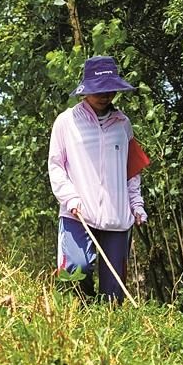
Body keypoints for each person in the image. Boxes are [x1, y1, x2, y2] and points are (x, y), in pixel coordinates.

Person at [47, 55, 149, 302]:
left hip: (117, 216)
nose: (105, 95)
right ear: (85, 91)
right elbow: (56, 166)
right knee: (75, 271)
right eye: (99, 90)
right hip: (77, 212)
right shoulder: (66, 122)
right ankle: (76, 321)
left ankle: (110, 331)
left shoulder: (123, 123)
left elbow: (132, 170)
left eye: (110, 90)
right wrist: (70, 198)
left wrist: (136, 205)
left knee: (114, 294)